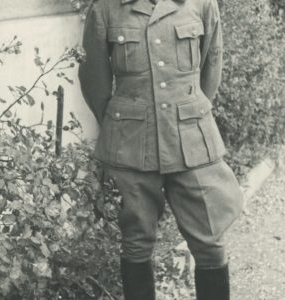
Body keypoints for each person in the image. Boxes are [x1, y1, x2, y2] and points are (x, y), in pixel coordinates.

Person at [78, 0, 244, 298]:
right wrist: (122, 125)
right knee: (136, 242)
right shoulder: (105, 10)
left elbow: (211, 69)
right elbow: (94, 82)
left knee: (210, 240)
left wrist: (189, 115)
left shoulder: (202, 4)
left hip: (192, 142)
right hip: (131, 144)